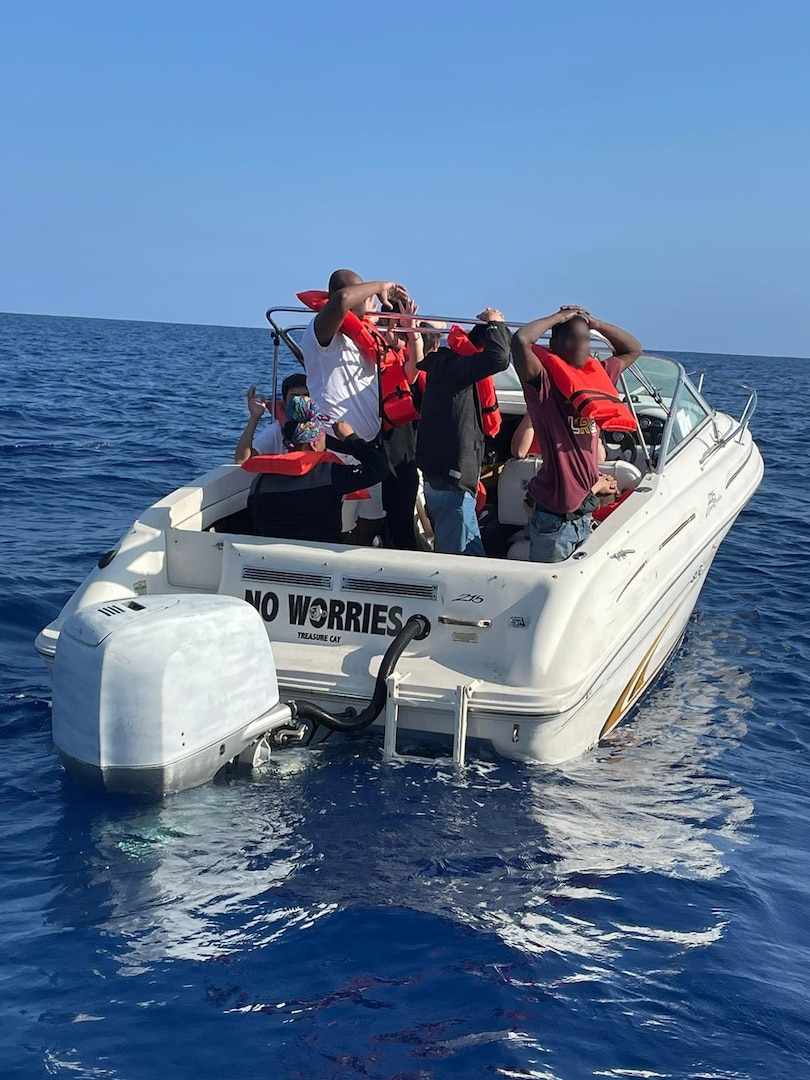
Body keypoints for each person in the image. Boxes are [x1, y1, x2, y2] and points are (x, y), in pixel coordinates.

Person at [511, 307, 642, 562]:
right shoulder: (543, 382)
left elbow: (633, 348)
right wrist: (558, 318)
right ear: (555, 343)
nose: (580, 344)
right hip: (554, 521)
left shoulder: (599, 375)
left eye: (585, 338)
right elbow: (521, 340)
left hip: (584, 514)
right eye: (571, 338)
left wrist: (596, 323)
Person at [299, 269, 408, 545]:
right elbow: (342, 299)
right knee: (339, 524)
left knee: (373, 518)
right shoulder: (321, 334)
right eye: (368, 295)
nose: (372, 300)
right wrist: (381, 284)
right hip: (339, 450)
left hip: (367, 447)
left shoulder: (366, 336)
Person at [415, 308, 511, 556]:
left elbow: (479, 353)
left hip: (443, 478)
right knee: (459, 556)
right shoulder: (453, 368)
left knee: (465, 545)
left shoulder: (443, 366)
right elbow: (498, 359)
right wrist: (495, 324)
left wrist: (487, 330)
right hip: (451, 483)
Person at [246, 397, 389, 543]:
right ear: (314, 444)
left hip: (271, 559)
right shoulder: (330, 474)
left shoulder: (260, 482)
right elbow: (380, 468)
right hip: (321, 557)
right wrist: (351, 439)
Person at [234, 373, 308, 464]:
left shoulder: (324, 429)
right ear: (285, 402)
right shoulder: (275, 431)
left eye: (306, 396)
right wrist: (254, 418)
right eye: (294, 397)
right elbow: (241, 460)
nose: (300, 402)